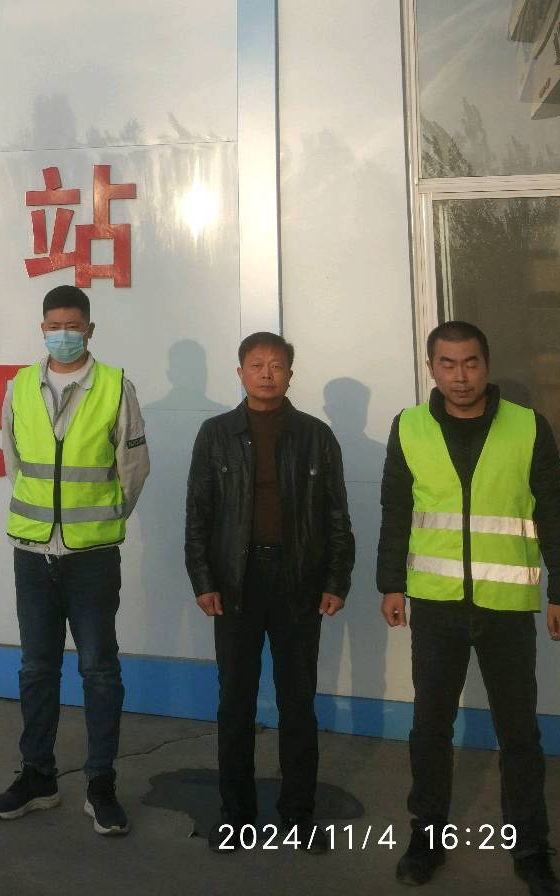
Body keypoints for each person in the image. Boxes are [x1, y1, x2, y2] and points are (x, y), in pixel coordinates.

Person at [377, 320, 560, 895]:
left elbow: (554, 511)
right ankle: (426, 840)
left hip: (507, 605)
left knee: (519, 733)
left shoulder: (528, 427)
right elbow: (396, 510)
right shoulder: (409, 427)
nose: (460, 376)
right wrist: (390, 584)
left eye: (471, 363)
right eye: (448, 364)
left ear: (486, 364)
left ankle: (530, 847)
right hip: (436, 605)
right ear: (431, 368)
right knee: (430, 727)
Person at [0, 284, 149, 835]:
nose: (62, 334)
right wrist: (44, 519)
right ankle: (38, 776)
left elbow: (133, 469)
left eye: (72, 326)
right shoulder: (19, 385)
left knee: (99, 671)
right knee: (37, 668)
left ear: (89, 329)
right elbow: (14, 459)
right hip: (33, 552)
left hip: (92, 556)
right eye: (53, 326)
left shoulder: (115, 386)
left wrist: (103, 517)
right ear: (42, 329)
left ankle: (100, 783)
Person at [184, 331, 354, 851]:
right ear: (240, 373)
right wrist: (203, 581)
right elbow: (198, 515)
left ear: (289, 375)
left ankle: (299, 817)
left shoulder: (316, 436)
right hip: (235, 583)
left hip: (298, 582)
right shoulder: (215, 434)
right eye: (256, 364)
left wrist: (336, 580)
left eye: (276, 365)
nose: (266, 373)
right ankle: (235, 816)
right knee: (234, 702)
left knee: (297, 703)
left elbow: (336, 515)